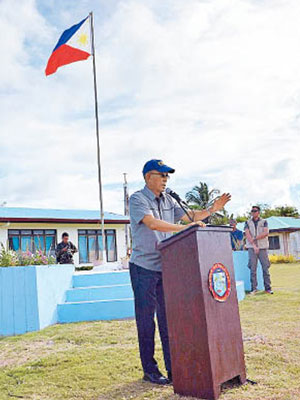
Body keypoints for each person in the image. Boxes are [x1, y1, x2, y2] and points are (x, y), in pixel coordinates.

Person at [129, 159, 231, 385]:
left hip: (167, 267)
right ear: (148, 177)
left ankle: (174, 368)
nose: (166, 179)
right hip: (143, 268)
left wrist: (212, 210)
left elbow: (190, 216)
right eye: (162, 175)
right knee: (147, 322)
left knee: (169, 321)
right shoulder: (137, 198)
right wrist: (185, 228)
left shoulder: (168, 199)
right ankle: (150, 370)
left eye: (168, 176)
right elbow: (152, 223)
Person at [244, 206, 273, 295]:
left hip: (263, 247)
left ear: (258, 212)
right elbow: (247, 234)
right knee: (252, 269)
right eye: (252, 211)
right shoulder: (247, 222)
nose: (253, 212)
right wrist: (254, 245)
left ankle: (268, 288)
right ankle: (254, 289)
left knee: (265, 268)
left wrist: (255, 238)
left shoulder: (264, 221)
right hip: (251, 248)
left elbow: (266, 232)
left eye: (255, 211)